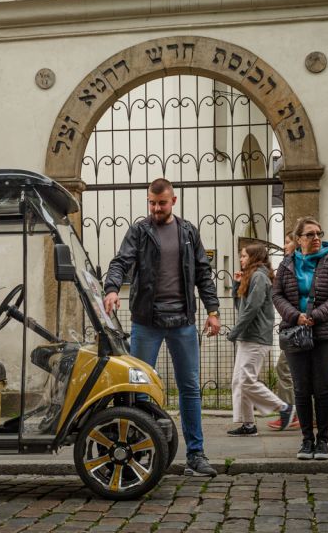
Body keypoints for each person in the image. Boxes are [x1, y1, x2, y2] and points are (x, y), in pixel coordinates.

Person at [103, 178, 221, 477]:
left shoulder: (188, 233)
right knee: (138, 390)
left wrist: (213, 310)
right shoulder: (139, 231)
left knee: (190, 389)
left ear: (173, 201)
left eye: (162, 203)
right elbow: (121, 261)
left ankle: (196, 455)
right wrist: (112, 288)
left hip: (183, 321)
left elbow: (203, 274)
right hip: (147, 322)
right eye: (152, 203)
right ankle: (137, 453)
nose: (156, 208)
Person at [271, 216, 328, 461]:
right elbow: (277, 294)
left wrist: (316, 315)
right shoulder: (286, 265)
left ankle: (323, 441)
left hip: (325, 334)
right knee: (302, 390)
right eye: (310, 235)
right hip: (295, 332)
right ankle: (306, 441)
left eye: (318, 234)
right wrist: (295, 316)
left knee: (321, 389)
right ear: (298, 239)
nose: (316, 238)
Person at [226, 243, 295, 436]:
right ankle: (248, 424)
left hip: (256, 338)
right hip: (247, 337)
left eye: (244, 256)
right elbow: (241, 307)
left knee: (246, 381)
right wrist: (236, 286)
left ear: (254, 257)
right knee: (238, 381)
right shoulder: (252, 277)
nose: (241, 260)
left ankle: (284, 408)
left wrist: (234, 332)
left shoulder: (259, 277)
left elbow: (252, 309)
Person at [267, 233, 300, 431]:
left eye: (288, 242)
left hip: (298, 327)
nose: (284, 245)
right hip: (293, 325)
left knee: (284, 369)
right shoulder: (289, 264)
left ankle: (289, 413)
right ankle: (301, 414)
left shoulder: (291, 264)